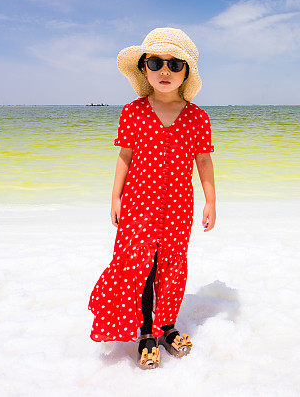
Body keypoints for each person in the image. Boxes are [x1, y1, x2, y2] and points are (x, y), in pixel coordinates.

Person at [88, 27, 217, 369]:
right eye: (156, 62)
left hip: (178, 204)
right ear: (144, 68)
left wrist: (211, 201)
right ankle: (146, 332)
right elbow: (124, 157)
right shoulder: (132, 112)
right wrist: (114, 197)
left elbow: (203, 160)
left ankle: (168, 325)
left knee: (171, 265)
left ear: (186, 73)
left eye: (175, 64)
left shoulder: (197, 118)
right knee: (139, 265)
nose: (165, 70)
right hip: (137, 203)